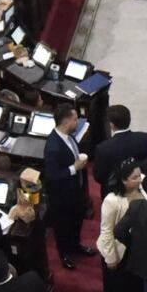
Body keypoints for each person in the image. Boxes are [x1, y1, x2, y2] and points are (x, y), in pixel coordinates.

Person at [98, 161, 147, 292]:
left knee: (135, 283)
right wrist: (110, 258)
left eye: (139, 175)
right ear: (123, 180)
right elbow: (106, 231)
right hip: (118, 248)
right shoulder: (112, 200)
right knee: (117, 285)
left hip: (138, 247)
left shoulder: (144, 189)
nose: (139, 179)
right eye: (134, 177)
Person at [42, 103, 90, 269]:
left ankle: (76, 246)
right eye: (75, 119)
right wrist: (73, 168)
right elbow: (51, 176)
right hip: (61, 198)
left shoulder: (69, 136)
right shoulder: (53, 147)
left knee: (76, 222)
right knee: (63, 228)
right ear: (66, 122)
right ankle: (65, 255)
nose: (78, 121)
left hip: (75, 191)